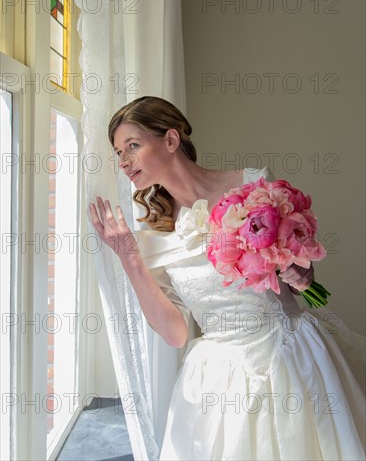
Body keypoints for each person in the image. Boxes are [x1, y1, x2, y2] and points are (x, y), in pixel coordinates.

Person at [89, 96, 366, 461]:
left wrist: (304, 275)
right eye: (118, 152)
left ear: (170, 141)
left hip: (292, 353)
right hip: (219, 378)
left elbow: (305, 283)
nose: (123, 162)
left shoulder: (252, 187)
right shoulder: (153, 238)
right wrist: (129, 257)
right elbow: (175, 334)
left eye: (133, 146)